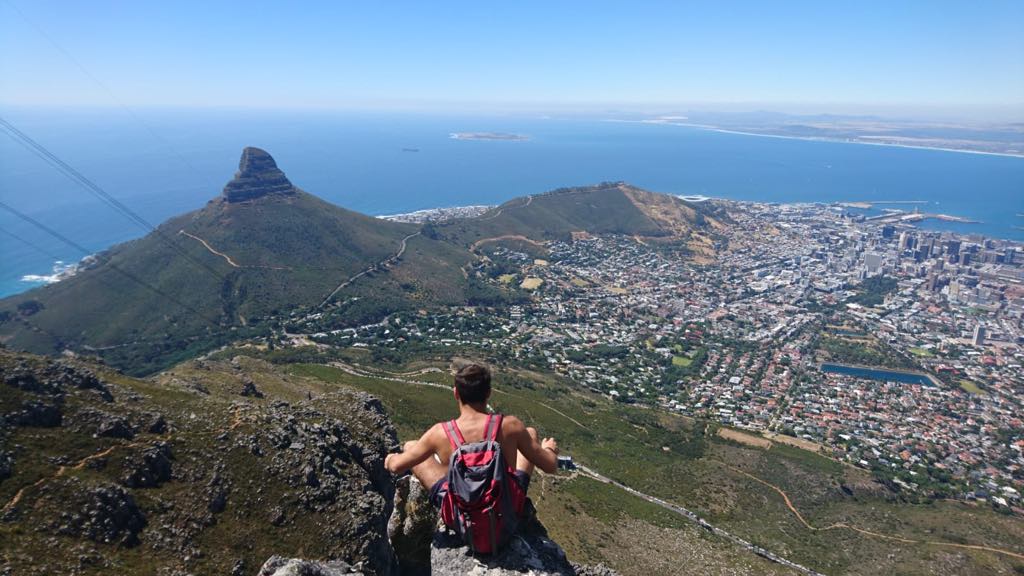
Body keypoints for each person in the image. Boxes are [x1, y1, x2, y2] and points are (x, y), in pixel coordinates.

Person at [384, 363, 559, 518]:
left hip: (463, 519)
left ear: (456, 393)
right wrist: (549, 449)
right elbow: (550, 466)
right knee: (530, 432)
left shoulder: (440, 433)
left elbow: (396, 467)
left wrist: (390, 458)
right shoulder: (510, 426)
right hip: (506, 512)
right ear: (488, 393)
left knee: (411, 446)